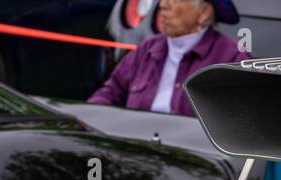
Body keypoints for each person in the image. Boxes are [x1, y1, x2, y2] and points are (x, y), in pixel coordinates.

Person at [89, 0, 248, 117]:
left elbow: (245, 120)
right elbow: (110, 92)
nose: (162, 5)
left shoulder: (232, 56)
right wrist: (89, 116)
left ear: (203, 12)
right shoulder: (147, 48)